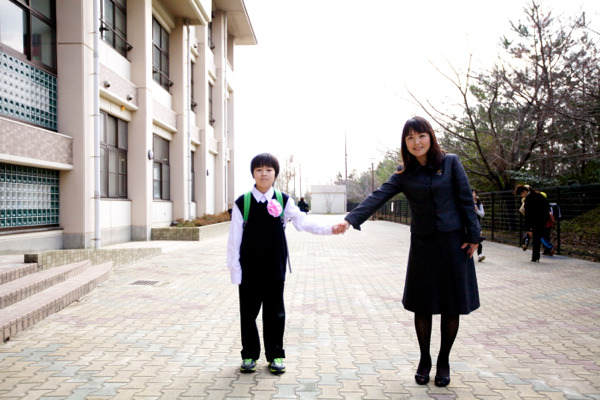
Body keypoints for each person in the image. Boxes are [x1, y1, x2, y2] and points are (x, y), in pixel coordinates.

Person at [334, 117, 483, 388]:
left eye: (421, 136)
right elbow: (377, 196)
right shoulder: (404, 174)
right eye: (410, 138)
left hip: (454, 243)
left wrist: (474, 237)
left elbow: (465, 199)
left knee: (452, 305)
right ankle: (424, 359)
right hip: (424, 245)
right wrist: (350, 219)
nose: (416, 142)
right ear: (405, 143)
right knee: (423, 304)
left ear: (431, 137)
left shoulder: (451, 163)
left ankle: (444, 361)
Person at [227, 153, 340, 375]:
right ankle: (249, 355)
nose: (264, 174)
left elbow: (303, 222)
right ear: (253, 173)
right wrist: (235, 271)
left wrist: (330, 228)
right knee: (248, 314)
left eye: (268, 170)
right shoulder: (243, 202)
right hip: (249, 269)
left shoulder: (283, 199)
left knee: (275, 313)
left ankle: (276, 355)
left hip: (274, 267)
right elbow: (234, 240)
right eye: (259, 170)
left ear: (275, 174)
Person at [514, 185, 551, 262]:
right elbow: (547, 205)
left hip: (535, 221)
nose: (521, 196)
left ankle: (534, 255)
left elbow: (528, 215)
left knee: (536, 238)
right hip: (542, 220)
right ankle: (535, 256)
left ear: (524, 191)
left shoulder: (529, 199)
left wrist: (529, 228)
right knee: (537, 238)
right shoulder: (538, 195)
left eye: (521, 194)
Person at [472, 189, 486, 262]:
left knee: (478, 239)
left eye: (473, 193)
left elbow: (482, 214)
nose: (472, 194)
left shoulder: (479, 203)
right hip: (469, 223)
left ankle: (480, 255)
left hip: (477, 224)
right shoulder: (466, 202)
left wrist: (477, 210)